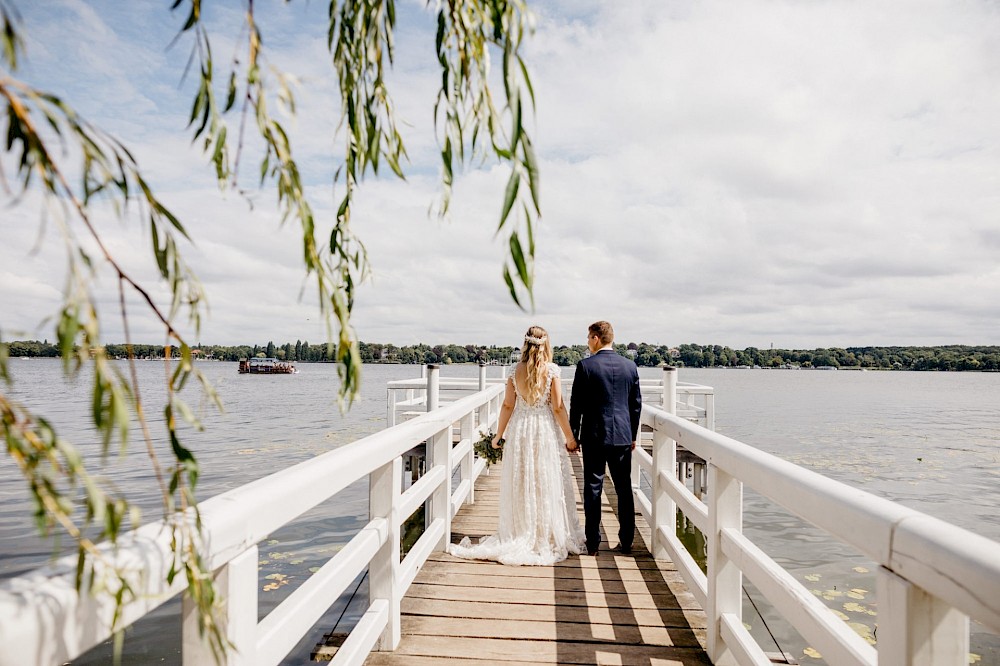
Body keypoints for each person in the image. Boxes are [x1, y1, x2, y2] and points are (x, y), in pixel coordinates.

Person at [448, 325, 587, 565]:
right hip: (543, 430)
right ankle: (545, 533)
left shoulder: (514, 371)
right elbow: (557, 407)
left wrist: (498, 435)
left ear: (525, 343)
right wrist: (570, 438)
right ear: (547, 344)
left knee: (522, 480)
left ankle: (520, 531)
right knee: (544, 479)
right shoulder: (552, 371)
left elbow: (507, 406)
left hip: (521, 430)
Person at [570, 320, 642, 556]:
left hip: (594, 436)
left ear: (595, 338)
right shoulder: (630, 367)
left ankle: (593, 543)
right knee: (624, 489)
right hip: (621, 435)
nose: (587, 342)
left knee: (593, 488)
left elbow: (576, 406)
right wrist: (632, 434)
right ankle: (627, 541)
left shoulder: (586, 366)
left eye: (588, 337)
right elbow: (635, 405)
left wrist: (573, 436)